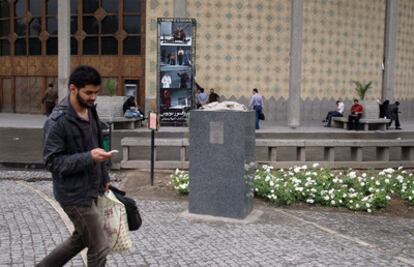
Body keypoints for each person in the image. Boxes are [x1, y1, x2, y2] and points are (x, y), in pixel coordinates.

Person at [38, 65, 112, 267]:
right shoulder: (57, 122)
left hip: (92, 188)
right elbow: (53, 162)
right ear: (73, 89)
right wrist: (89, 157)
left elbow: (96, 146)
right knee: (99, 246)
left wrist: (104, 177)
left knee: (81, 237)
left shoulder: (91, 111)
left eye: (96, 93)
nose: (93, 97)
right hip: (73, 195)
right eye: (88, 93)